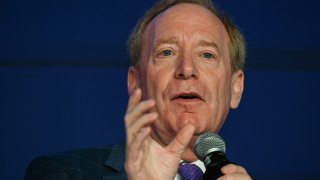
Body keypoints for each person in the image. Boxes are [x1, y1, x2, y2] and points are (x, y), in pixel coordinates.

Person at [25, 0, 251, 179]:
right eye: (166, 52)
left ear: (235, 87)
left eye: (207, 55)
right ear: (135, 82)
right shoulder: (62, 174)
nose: (187, 69)